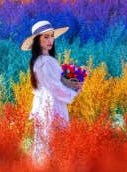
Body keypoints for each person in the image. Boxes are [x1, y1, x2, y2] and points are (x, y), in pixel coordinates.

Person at [20, 20, 83, 166]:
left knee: (49, 145)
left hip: (52, 105)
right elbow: (54, 87)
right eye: (45, 37)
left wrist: (71, 83)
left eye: (51, 36)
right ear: (37, 41)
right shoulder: (44, 61)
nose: (50, 40)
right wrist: (73, 91)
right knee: (51, 144)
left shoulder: (45, 60)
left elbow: (56, 83)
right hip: (50, 107)